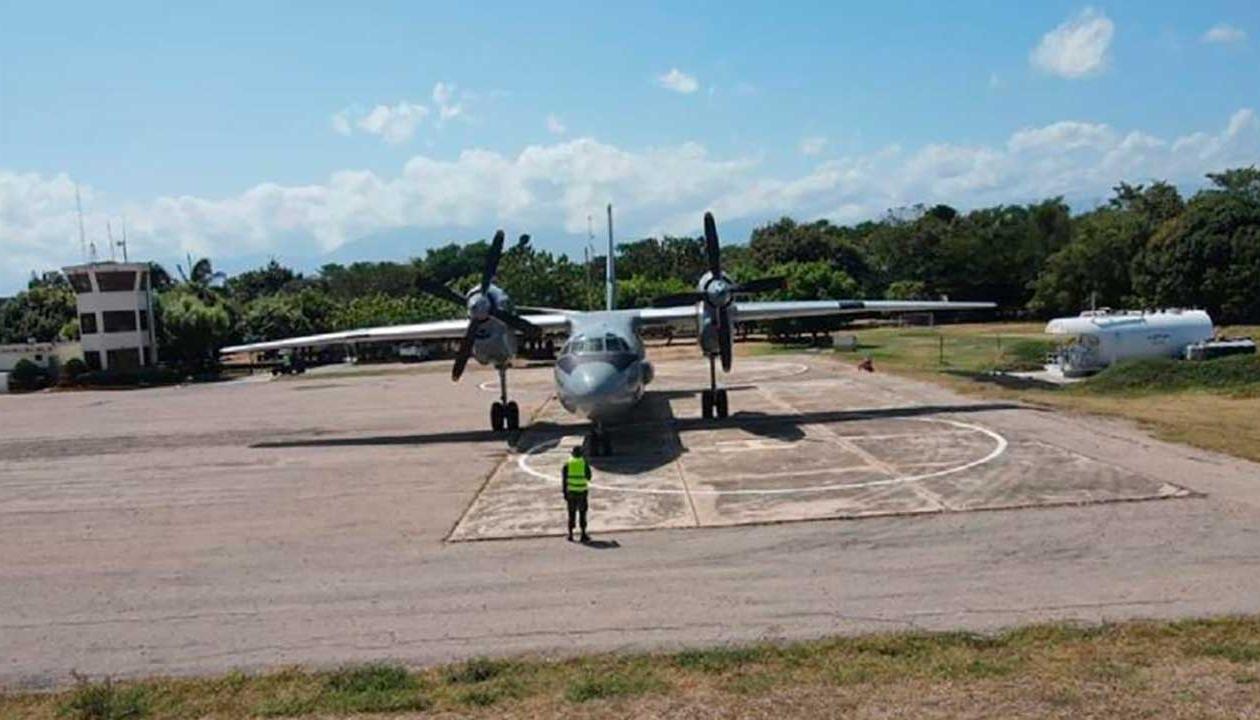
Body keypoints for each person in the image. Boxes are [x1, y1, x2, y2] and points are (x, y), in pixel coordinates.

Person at [562, 444, 592, 543]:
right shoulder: (584, 463)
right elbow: (589, 477)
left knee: (571, 513)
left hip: (571, 492)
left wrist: (564, 493)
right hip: (582, 492)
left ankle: (570, 534)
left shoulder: (567, 464)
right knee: (582, 513)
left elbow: (564, 480)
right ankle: (583, 534)